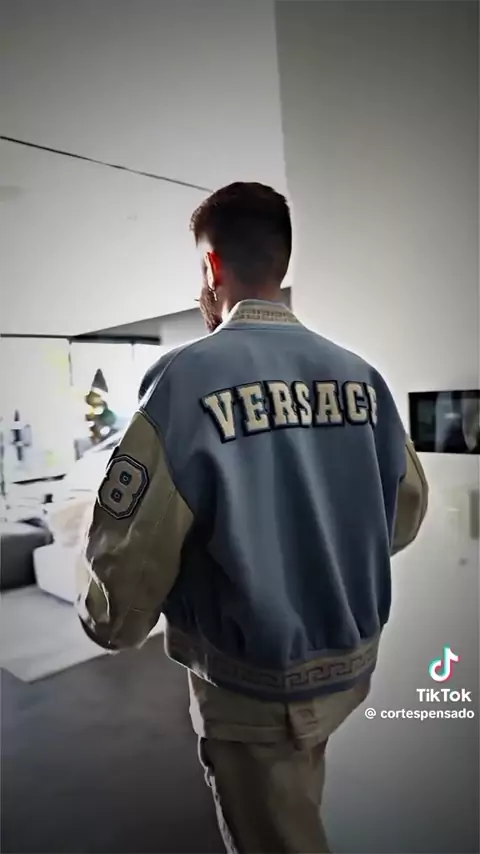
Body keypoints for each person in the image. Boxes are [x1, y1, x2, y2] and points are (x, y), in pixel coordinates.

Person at [76, 182, 429, 854]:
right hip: (349, 665)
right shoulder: (361, 376)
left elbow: (129, 559)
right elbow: (405, 512)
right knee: (303, 802)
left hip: (251, 687)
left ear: (211, 267)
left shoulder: (183, 380)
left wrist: (105, 618)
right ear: (282, 262)